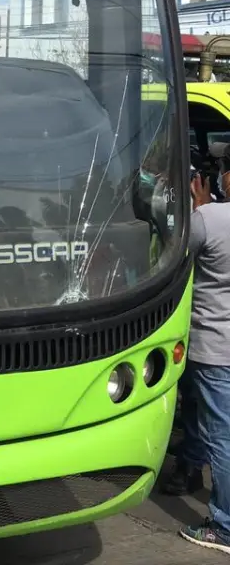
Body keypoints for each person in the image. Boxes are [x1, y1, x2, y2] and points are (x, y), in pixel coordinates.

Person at [178, 161, 230, 553]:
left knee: (222, 436)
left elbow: (174, 258)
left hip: (211, 346)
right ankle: (189, 467)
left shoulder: (208, 218)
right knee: (201, 413)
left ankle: (224, 526)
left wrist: (198, 206)